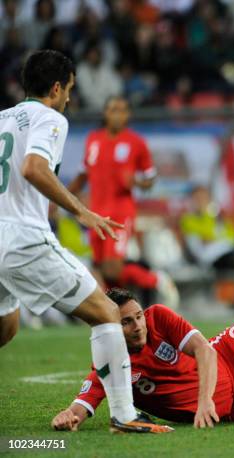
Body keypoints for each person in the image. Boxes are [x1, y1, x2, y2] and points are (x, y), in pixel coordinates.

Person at [0, 49, 170, 434]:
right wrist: (81, 210)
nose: (70, 99)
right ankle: (125, 415)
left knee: (6, 328)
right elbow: (33, 167)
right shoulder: (51, 118)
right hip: (23, 239)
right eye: (70, 90)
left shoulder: (3, 119)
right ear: (57, 87)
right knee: (107, 312)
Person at [51, 265, 234, 430]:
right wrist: (68, 416)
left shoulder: (159, 317)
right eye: (127, 322)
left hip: (230, 351)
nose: (138, 325)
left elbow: (205, 350)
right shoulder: (109, 364)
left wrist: (204, 400)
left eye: (138, 316)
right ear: (111, 328)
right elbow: (83, 405)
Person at [69, 95, 178, 308]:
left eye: (121, 110)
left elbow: (150, 179)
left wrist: (136, 181)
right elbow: (83, 175)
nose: (116, 114)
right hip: (95, 213)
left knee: (112, 268)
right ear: (105, 113)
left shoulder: (136, 143)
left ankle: (157, 280)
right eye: (112, 109)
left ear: (127, 114)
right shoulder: (93, 139)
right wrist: (60, 196)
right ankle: (118, 312)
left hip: (120, 213)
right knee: (101, 268)